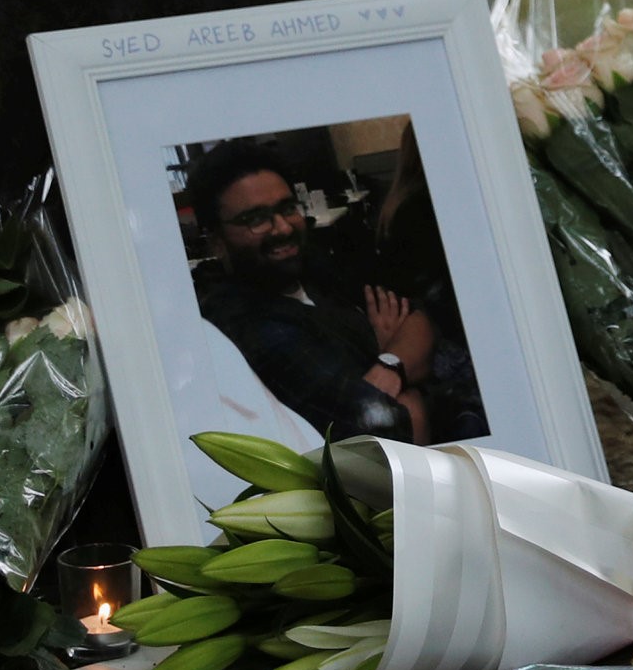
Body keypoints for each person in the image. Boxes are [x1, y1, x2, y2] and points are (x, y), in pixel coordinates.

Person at [183, 141, 485, 445]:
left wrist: (388, 361)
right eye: (256, 219)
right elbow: (392, 427)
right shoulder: (246, 325)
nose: (283, 228)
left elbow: (420, 319)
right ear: (216, 240)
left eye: (287, 208)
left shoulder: (314, 265)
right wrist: (404, 366)